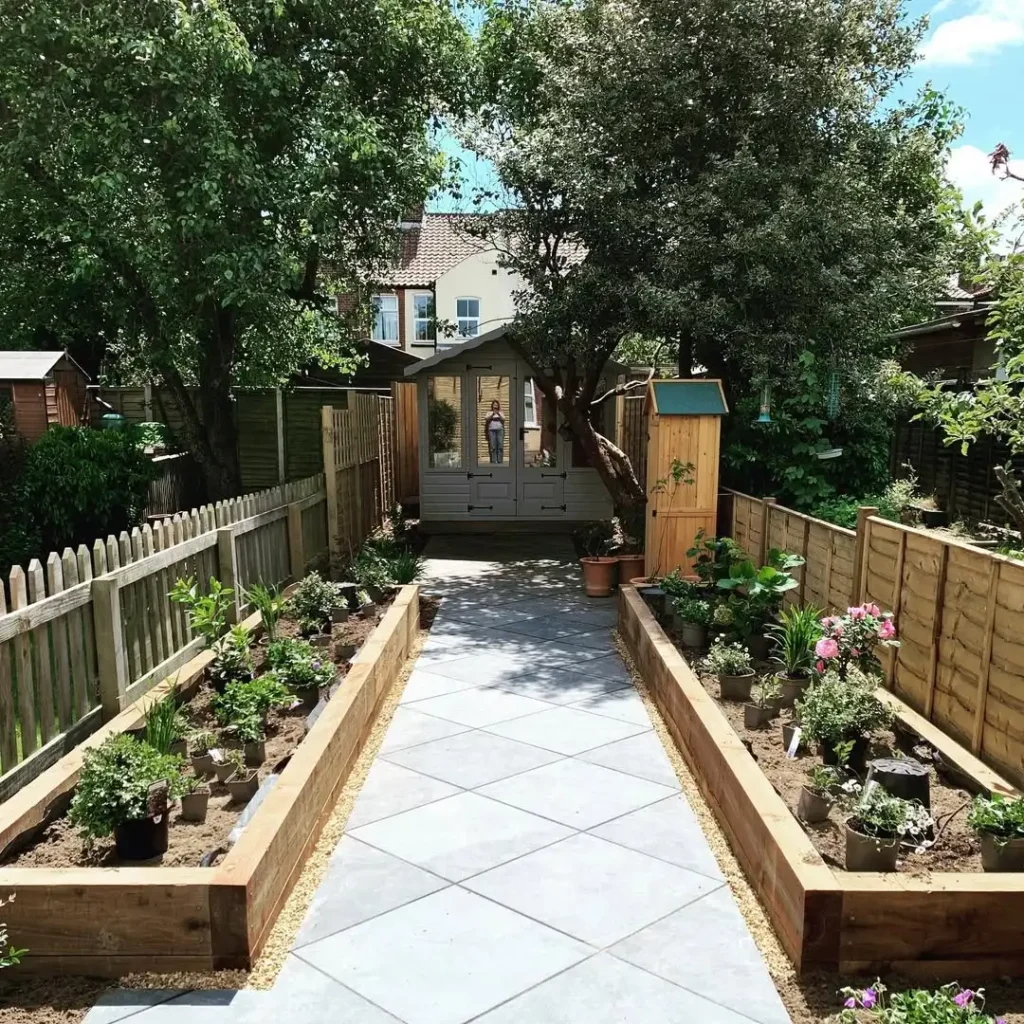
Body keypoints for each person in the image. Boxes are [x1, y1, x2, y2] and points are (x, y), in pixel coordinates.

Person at [485, 399, 505, 464]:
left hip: (500, 430)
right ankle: (494, 460)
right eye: (494, 405)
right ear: (492, 405)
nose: (495, 406)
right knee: (493, 446)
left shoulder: (501, 412)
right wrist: (493, 414)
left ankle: (500, 460)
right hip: (491, 430)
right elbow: (486, 419)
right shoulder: (489, 412)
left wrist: (498, 413)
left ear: (498, 406)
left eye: (496, 405)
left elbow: (503, 419)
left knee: (500, 445)